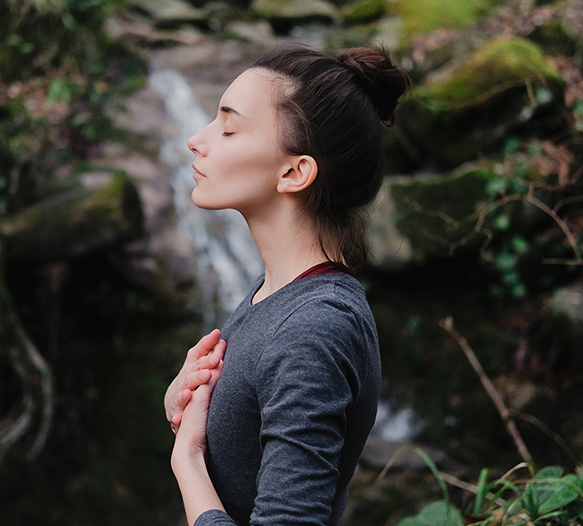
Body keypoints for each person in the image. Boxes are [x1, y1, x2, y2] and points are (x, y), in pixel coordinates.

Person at [164, 44, 411, 526]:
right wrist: (189, 406)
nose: (197, 139)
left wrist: (188, 461)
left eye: (228, 127)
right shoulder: (275, 291)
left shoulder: (313, 329)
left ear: (295, 172)